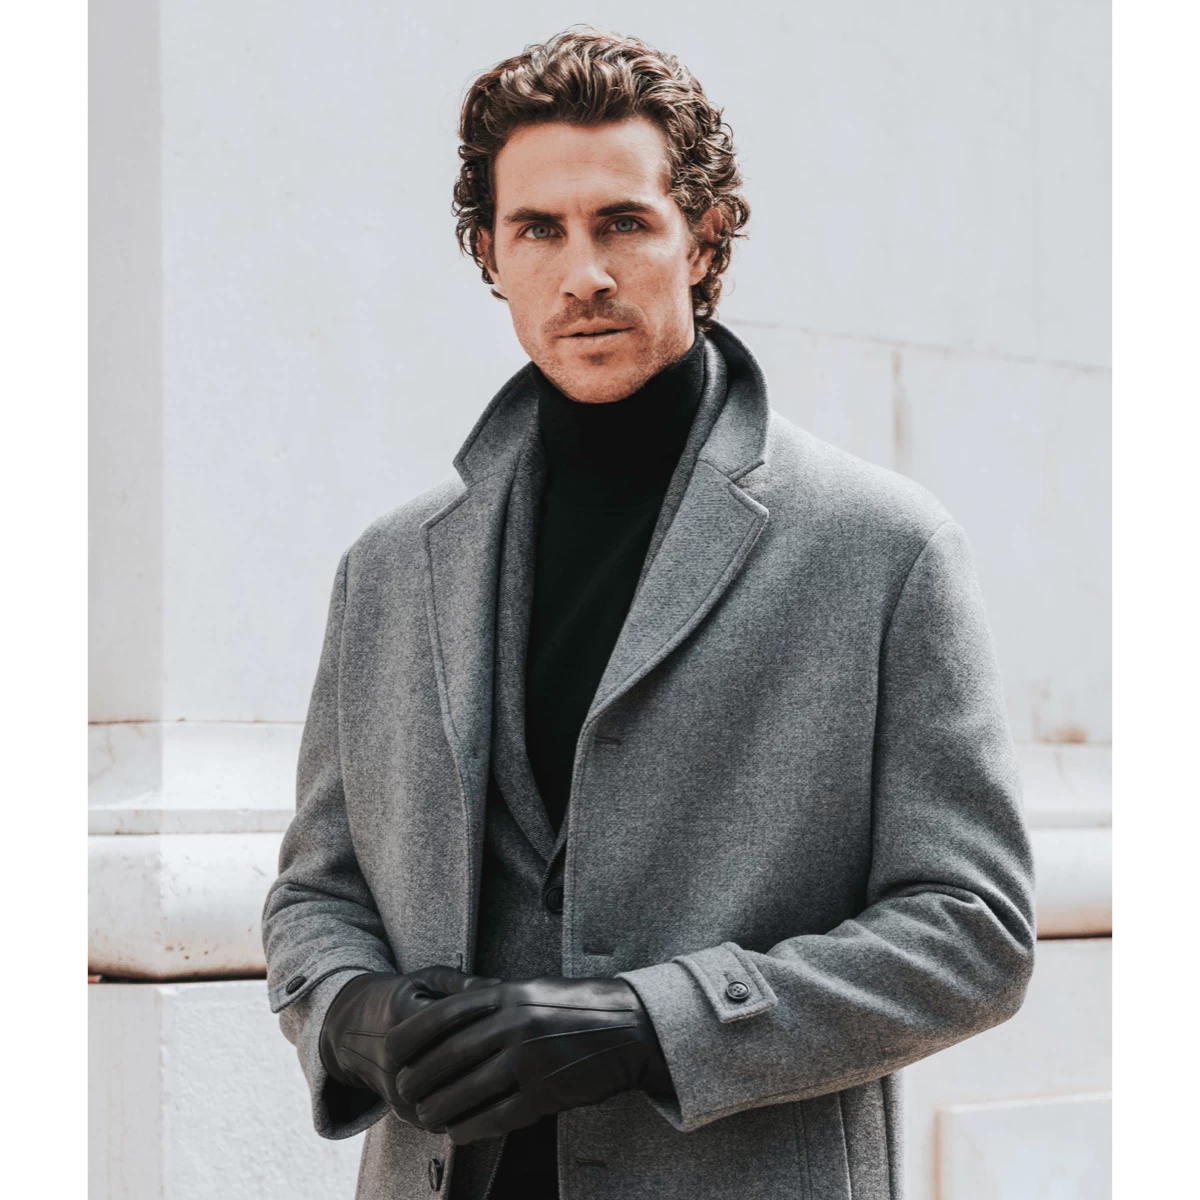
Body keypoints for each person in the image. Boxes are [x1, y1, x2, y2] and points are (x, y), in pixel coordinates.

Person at [261, 27, 1036, 1200]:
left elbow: (973, 932)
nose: (583, 274)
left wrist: (648, 1024)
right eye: (538, 229)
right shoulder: (388, 567)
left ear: (703, 235)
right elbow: (316, 892)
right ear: (489, 253)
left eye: (623, 221)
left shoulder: (884, 548)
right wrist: (352, 1014)